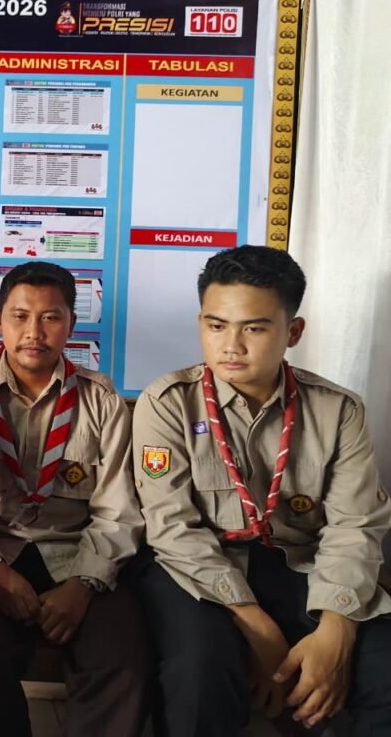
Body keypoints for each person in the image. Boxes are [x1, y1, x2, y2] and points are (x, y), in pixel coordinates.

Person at [133, 245, 391, 736]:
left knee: (382, 668)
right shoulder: (168, 403)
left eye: (254, 328)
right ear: (201, 323)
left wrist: (336, 628)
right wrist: (259, 629)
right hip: (198, 568)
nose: (231, 345)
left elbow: (355, 527)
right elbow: (172, 529)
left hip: (301, 565)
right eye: (216, 326)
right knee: (200, 671)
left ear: (293, 332)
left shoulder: (338, 411)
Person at [0, 261, 150, 736]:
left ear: (71, 324)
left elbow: (118, 509)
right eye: (20, 316)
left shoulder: (101, 401)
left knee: (123, 661)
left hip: (76, 553)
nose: (34, 333)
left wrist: (83, 583)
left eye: (50, 318)